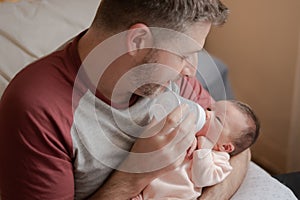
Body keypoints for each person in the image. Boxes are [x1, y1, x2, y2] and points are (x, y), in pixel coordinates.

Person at [0, 0, 251, 199]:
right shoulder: (36, 110)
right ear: (138, 41)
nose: (191, 71)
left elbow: (237, 141)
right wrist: (136, 172)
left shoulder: (167, 78)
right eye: (184, 55)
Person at [131, 99, 260, 200]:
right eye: (209, 108)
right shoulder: (191, 131)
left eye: (218, 119)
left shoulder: (221, 161)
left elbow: (202, 178)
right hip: (147, 188)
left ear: (225, 147)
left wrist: (204, 150)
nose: (207, 114)